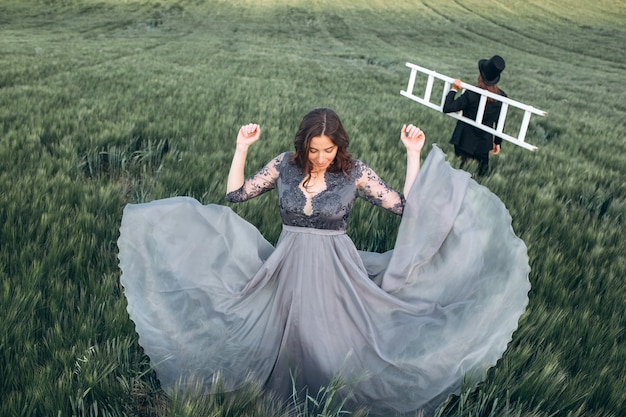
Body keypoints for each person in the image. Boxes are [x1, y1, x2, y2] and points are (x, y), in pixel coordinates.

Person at [117, 108, 530, 416]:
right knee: (283, 332)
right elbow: (236, 194)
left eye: (328, 150)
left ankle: (331, 393)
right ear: (302, 145)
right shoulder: (284, 165)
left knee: (332, 339)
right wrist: (242, 147)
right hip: (288, 263)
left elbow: (407, 207)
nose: (320, 158)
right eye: (313, 150)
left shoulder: (354, 173)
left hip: (336, 267)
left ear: (340, 146)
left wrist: (412, 155)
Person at [443, 55, 507, 176]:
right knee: (479, 181)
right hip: (484, 145)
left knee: (457, 177)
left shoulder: (471, 94)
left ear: (480, 76)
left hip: (464, 143)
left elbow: (448, 107)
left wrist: (454, 89)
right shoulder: (502, 97)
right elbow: (500, 121)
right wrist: (497, 142)